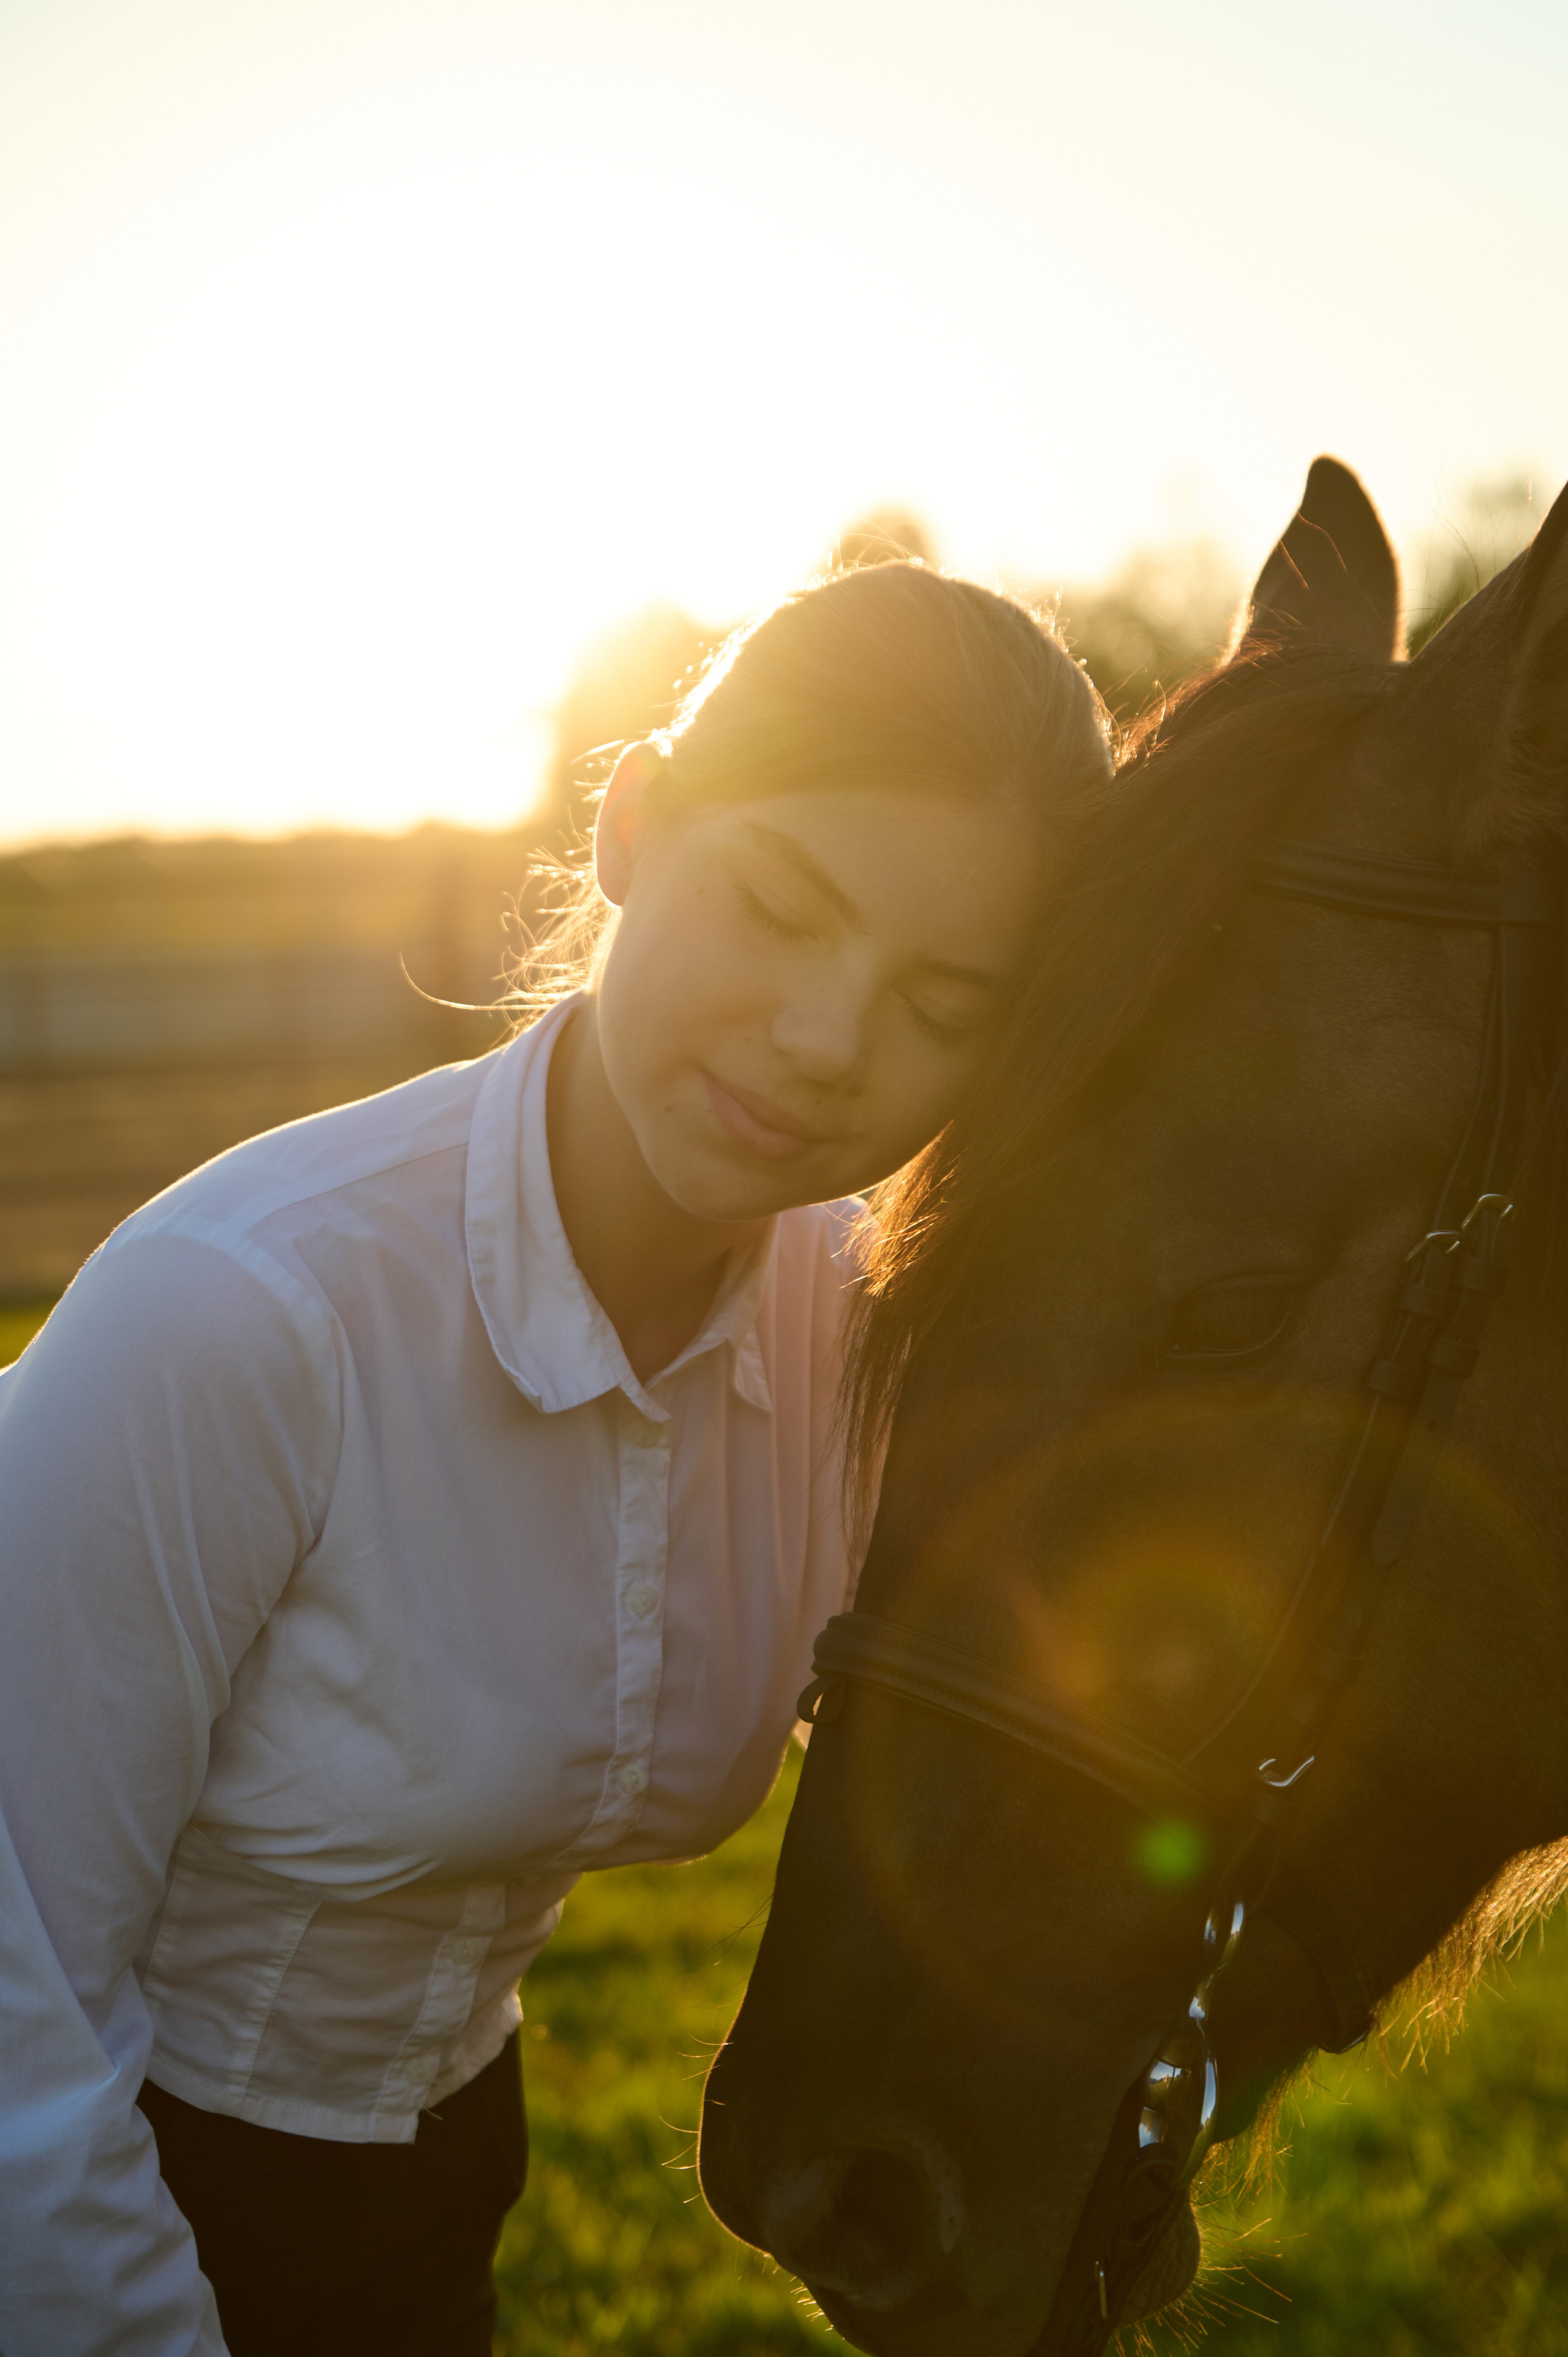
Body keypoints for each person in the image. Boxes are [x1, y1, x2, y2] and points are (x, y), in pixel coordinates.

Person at [0, 559, 1111, 2356]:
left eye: (944, 1001)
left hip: (441, 2180)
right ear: (633, 822)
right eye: (779, 904)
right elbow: (11, 2004)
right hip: (88, 2183)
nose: (827, 1044)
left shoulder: (858, 1344)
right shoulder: (247, 1315)